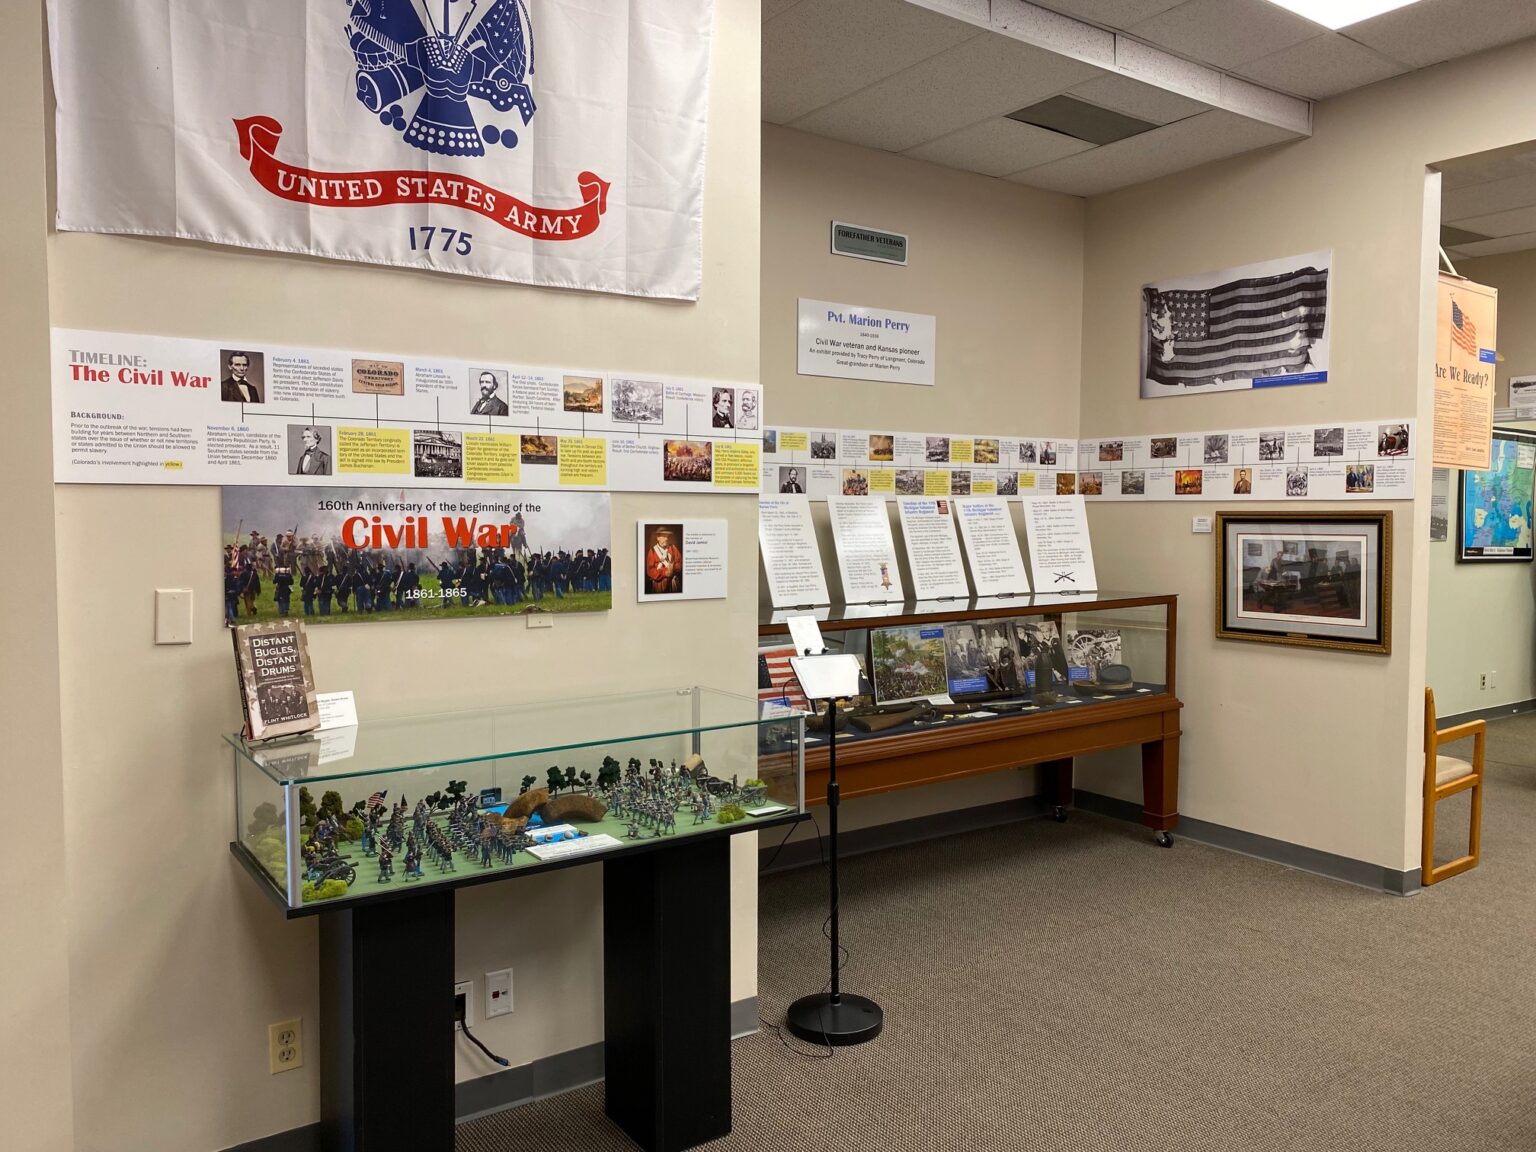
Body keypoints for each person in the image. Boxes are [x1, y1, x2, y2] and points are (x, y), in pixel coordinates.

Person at [646, 529, 681, 594]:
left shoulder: (673, 548)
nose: (666, 539)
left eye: (667, 536)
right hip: (659, 585)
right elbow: (650, 571)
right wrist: (664, 573)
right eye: (664, 536)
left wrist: (673, 569)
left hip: (673, 583)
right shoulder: (652, 551)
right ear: (658, 538)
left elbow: (679, 563)